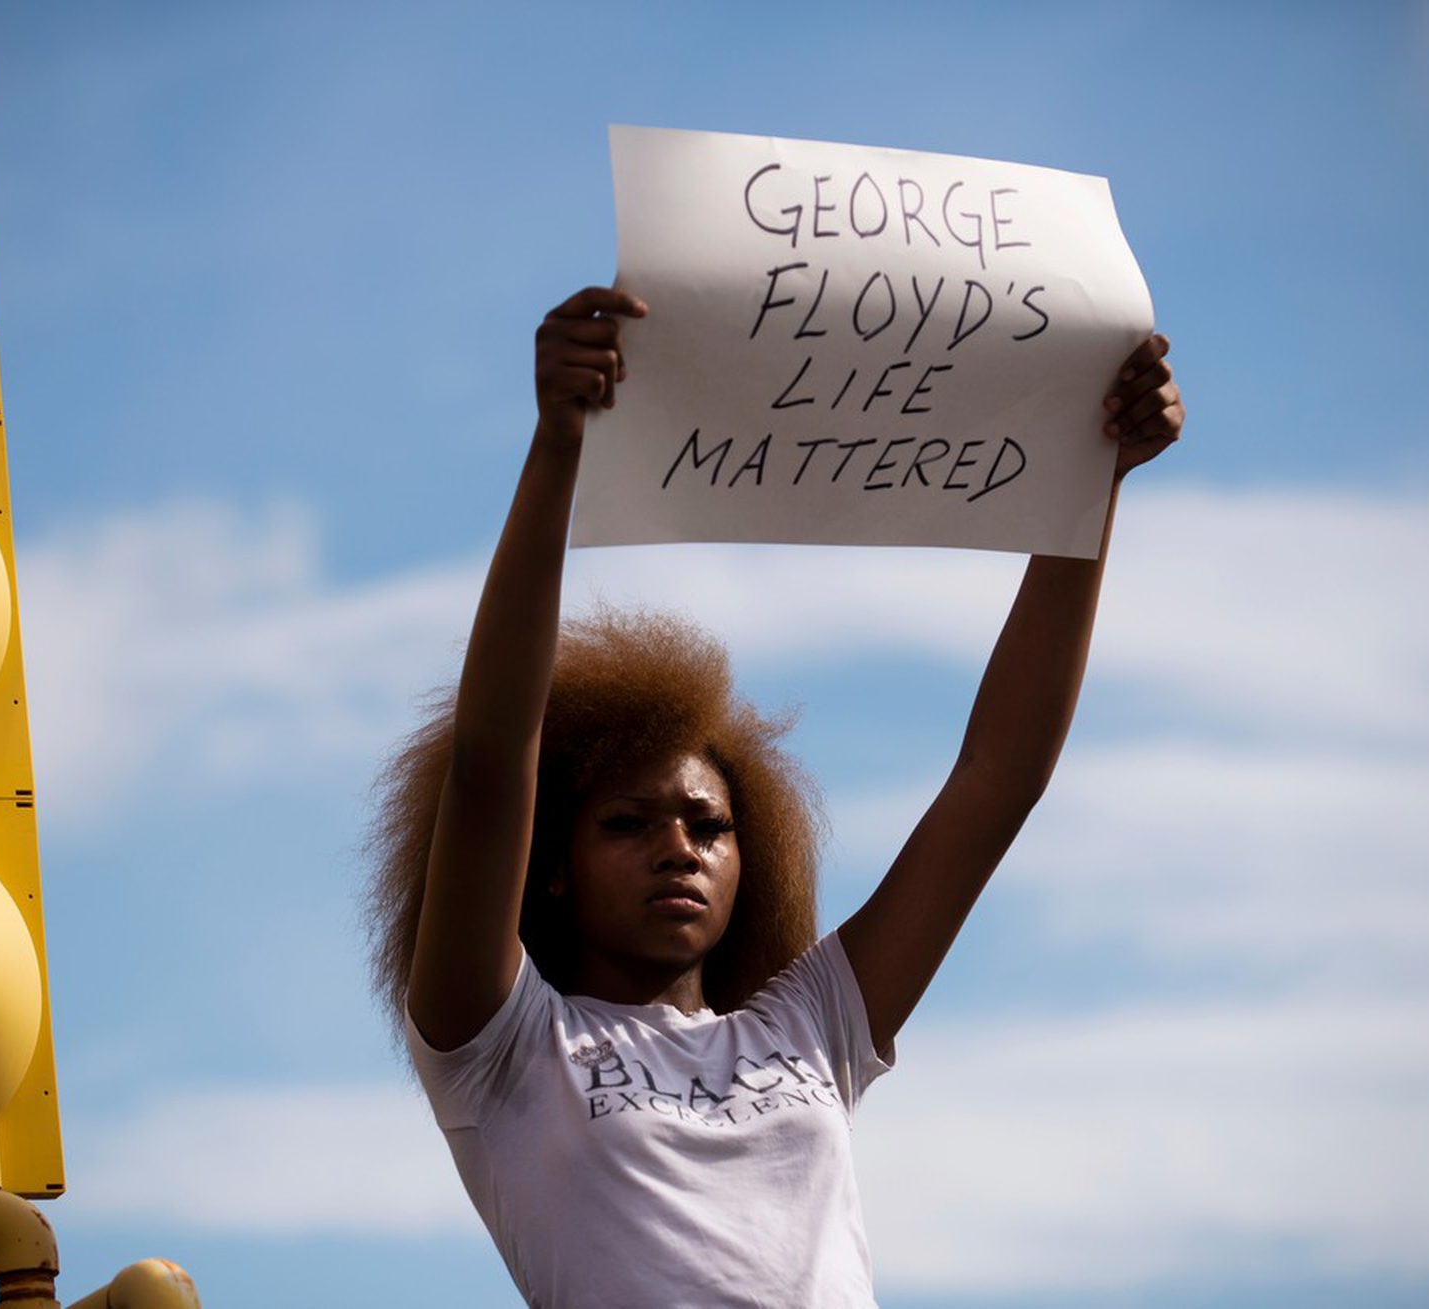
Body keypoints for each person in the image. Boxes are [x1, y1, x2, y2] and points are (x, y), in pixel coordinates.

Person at [368, 286, 1184, 1307]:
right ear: (554, 873)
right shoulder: (505, 1047)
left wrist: (1091, 475)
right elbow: (495, 763)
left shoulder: (813, 1026)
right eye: (629, 823)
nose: (680, 846)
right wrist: (558, 445)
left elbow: (995, 780)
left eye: (710, 824)